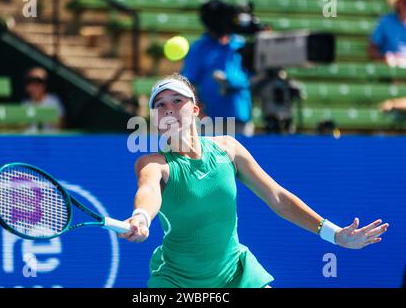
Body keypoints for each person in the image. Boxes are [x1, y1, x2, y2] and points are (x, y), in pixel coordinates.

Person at [118, 73, 389, 288]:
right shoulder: (153, 163)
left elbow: (279, 198)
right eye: (160, 105)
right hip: (177, 281)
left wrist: (335, 235)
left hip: (236, 273)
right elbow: (148, 190)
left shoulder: (228, 149)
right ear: (154, 118)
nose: (168, 109)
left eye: (177, 101)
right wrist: (141, 217)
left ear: (196, 110)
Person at [181, 0, 255, 136]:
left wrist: (234, 82)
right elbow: (188, 82)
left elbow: (254, 76)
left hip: (239, 117)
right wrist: (198, 110)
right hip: (209, 120)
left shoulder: (241, 44)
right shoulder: (199, 48)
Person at [368, 0, 406, 67]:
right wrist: (384, 58)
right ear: (398, 3)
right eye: (404, 2)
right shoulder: (386, 21)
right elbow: (372, 49)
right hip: (390, 69)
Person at [21, 67, 66, 131]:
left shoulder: (53, 101)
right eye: (30, 82)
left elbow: (61, 125)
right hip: (30, 139)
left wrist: (43, 116)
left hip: (49, 139)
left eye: (39, 82)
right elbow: (22, 127)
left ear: (45, 84)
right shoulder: (25, 103)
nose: (35, 86)